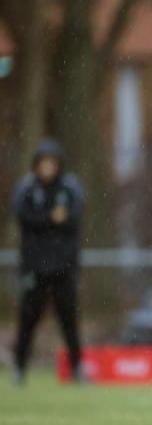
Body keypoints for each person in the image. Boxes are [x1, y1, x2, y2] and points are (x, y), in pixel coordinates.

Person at [12, 140, 85, 385]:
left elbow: (72, 219)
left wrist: (46, 221)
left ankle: (77, 369)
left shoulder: (69, 188)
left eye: (52, 163)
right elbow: (24, 218)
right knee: (27, 320)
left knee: (69, 321)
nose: (47, 168)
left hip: (63, 268)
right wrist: (50, 218)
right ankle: (19, 368)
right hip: (35, 268)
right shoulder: (28, 189)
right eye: (43, 163)